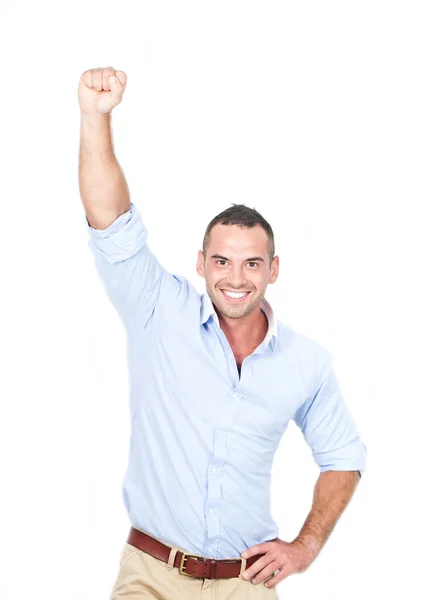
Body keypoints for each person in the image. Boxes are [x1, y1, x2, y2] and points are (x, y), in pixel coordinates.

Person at [78, 66, 367, 600]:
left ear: (273, 269)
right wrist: (96, 118)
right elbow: (110, 221)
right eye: (223, 262)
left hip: (246, 581)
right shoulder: (158, 311)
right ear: (201, 263)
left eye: (252, 264)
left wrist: (303, 548)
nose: (236, 279)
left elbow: (344, 457)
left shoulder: (307, 363)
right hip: (151, 574)